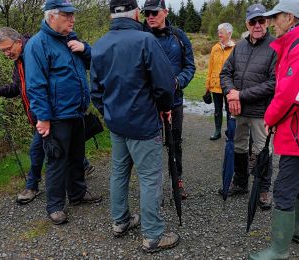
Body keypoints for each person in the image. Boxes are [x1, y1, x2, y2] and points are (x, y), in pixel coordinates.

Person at [90, 0, 179, 253]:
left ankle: (120, 221)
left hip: (117, 123)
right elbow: (163, 85)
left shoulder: (99, 45)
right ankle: (152, 235)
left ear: (111, 15)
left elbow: (95, 92)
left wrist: (109, 112)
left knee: (119, 173)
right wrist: (164, 107)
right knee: (150, 178)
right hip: (143, 124)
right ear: (137, 13)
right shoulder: (145, 41)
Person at [249, 0, 299, 259]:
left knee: (283, 190)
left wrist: (270, 117)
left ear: (290, 18)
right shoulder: (296, 45)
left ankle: (279, 251)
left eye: (276, 17)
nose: (271, 22)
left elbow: (291, 96)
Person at [0, 27, 94, 204]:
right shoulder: (18, 62)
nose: (7, 53)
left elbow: (44, 85)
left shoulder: (35, 52)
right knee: (55, 150)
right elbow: (19, 88)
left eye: (9, 48)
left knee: (38, 151)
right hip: (41, 117)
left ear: (18, 41)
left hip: (50, 115)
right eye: (3, 51)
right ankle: (81, 169)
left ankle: (34, 188)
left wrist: (44, 115)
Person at [24, 0, 102, 225]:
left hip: (77, 112)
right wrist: (44, 118)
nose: (73, 19)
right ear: (52, 17)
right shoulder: (38, 45)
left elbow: (95, 63)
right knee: (57, 160)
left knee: (78, 157)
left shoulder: (71, 39)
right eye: (67, 16)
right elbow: (36, 85)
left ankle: (77, 194)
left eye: (72, 15)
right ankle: (55, 206)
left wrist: (85, 48)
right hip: (56, 117)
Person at [220, 4, 276, 210]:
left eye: (261, 21)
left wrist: (240, 94)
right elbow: (225, 74)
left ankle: (263, 190)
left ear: (267, 22)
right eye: (253, 21)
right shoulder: (240, 47)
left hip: (261, 112)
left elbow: (273, 83)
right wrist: (231, 94)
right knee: (239, 147)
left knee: (262, 150)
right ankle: (241, 183)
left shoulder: (275, 47)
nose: (257, 25)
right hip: (238, 110)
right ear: (247, 24)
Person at [143, 0, 196, 199]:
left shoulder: (179, 36)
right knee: (152, 145)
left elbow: (190, 66)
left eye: (154, 12)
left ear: (165, 12)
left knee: (175, 143)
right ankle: (154, 188)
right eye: (146, 13)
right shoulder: (141, 36)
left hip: (174, 101)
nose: (150, 17)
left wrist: (177, 81)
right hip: (149, 104)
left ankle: (177, 180)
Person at [205, 23, 235, 141]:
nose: (219, 34)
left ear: (229, 33)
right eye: (218, 32)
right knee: (217, 110)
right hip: (215, 86)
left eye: (221, 32)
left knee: (229, 111)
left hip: (229, 86)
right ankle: (217, 131)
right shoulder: (215, 48)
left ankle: (229, 132)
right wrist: (207, 85)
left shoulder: (235, 48)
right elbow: (210, 68)